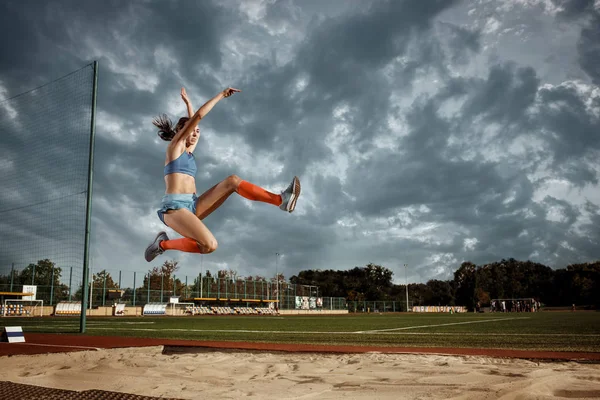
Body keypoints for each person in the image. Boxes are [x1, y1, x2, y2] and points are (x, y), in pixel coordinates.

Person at [144, 87, 301, 262]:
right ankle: (162, 245)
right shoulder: (175, 148)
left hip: (193, 204)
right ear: (183, 131)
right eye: (192, 131)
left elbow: (195, 122)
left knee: (232, 181)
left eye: (198, 132)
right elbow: (197, 118)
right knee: (210, 245)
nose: (196, 134)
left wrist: (189, 105)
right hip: (174, 209)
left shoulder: (188, 152)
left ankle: (281, 201)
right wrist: (220, 95)